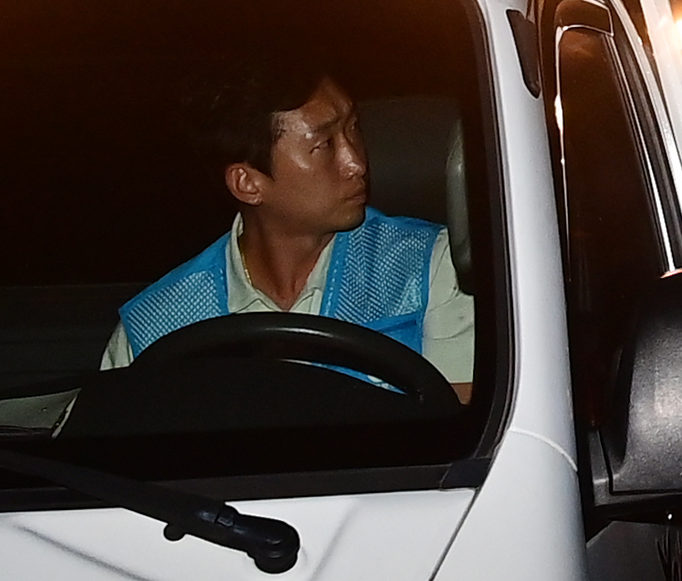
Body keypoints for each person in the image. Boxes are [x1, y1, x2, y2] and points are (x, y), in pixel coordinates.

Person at [99, 65, 474, 396]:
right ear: (248, 183)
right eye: (324, 144)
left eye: (354, 129)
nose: (355, 162)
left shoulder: (433, 268)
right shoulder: (156, 325)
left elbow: (467, 436)